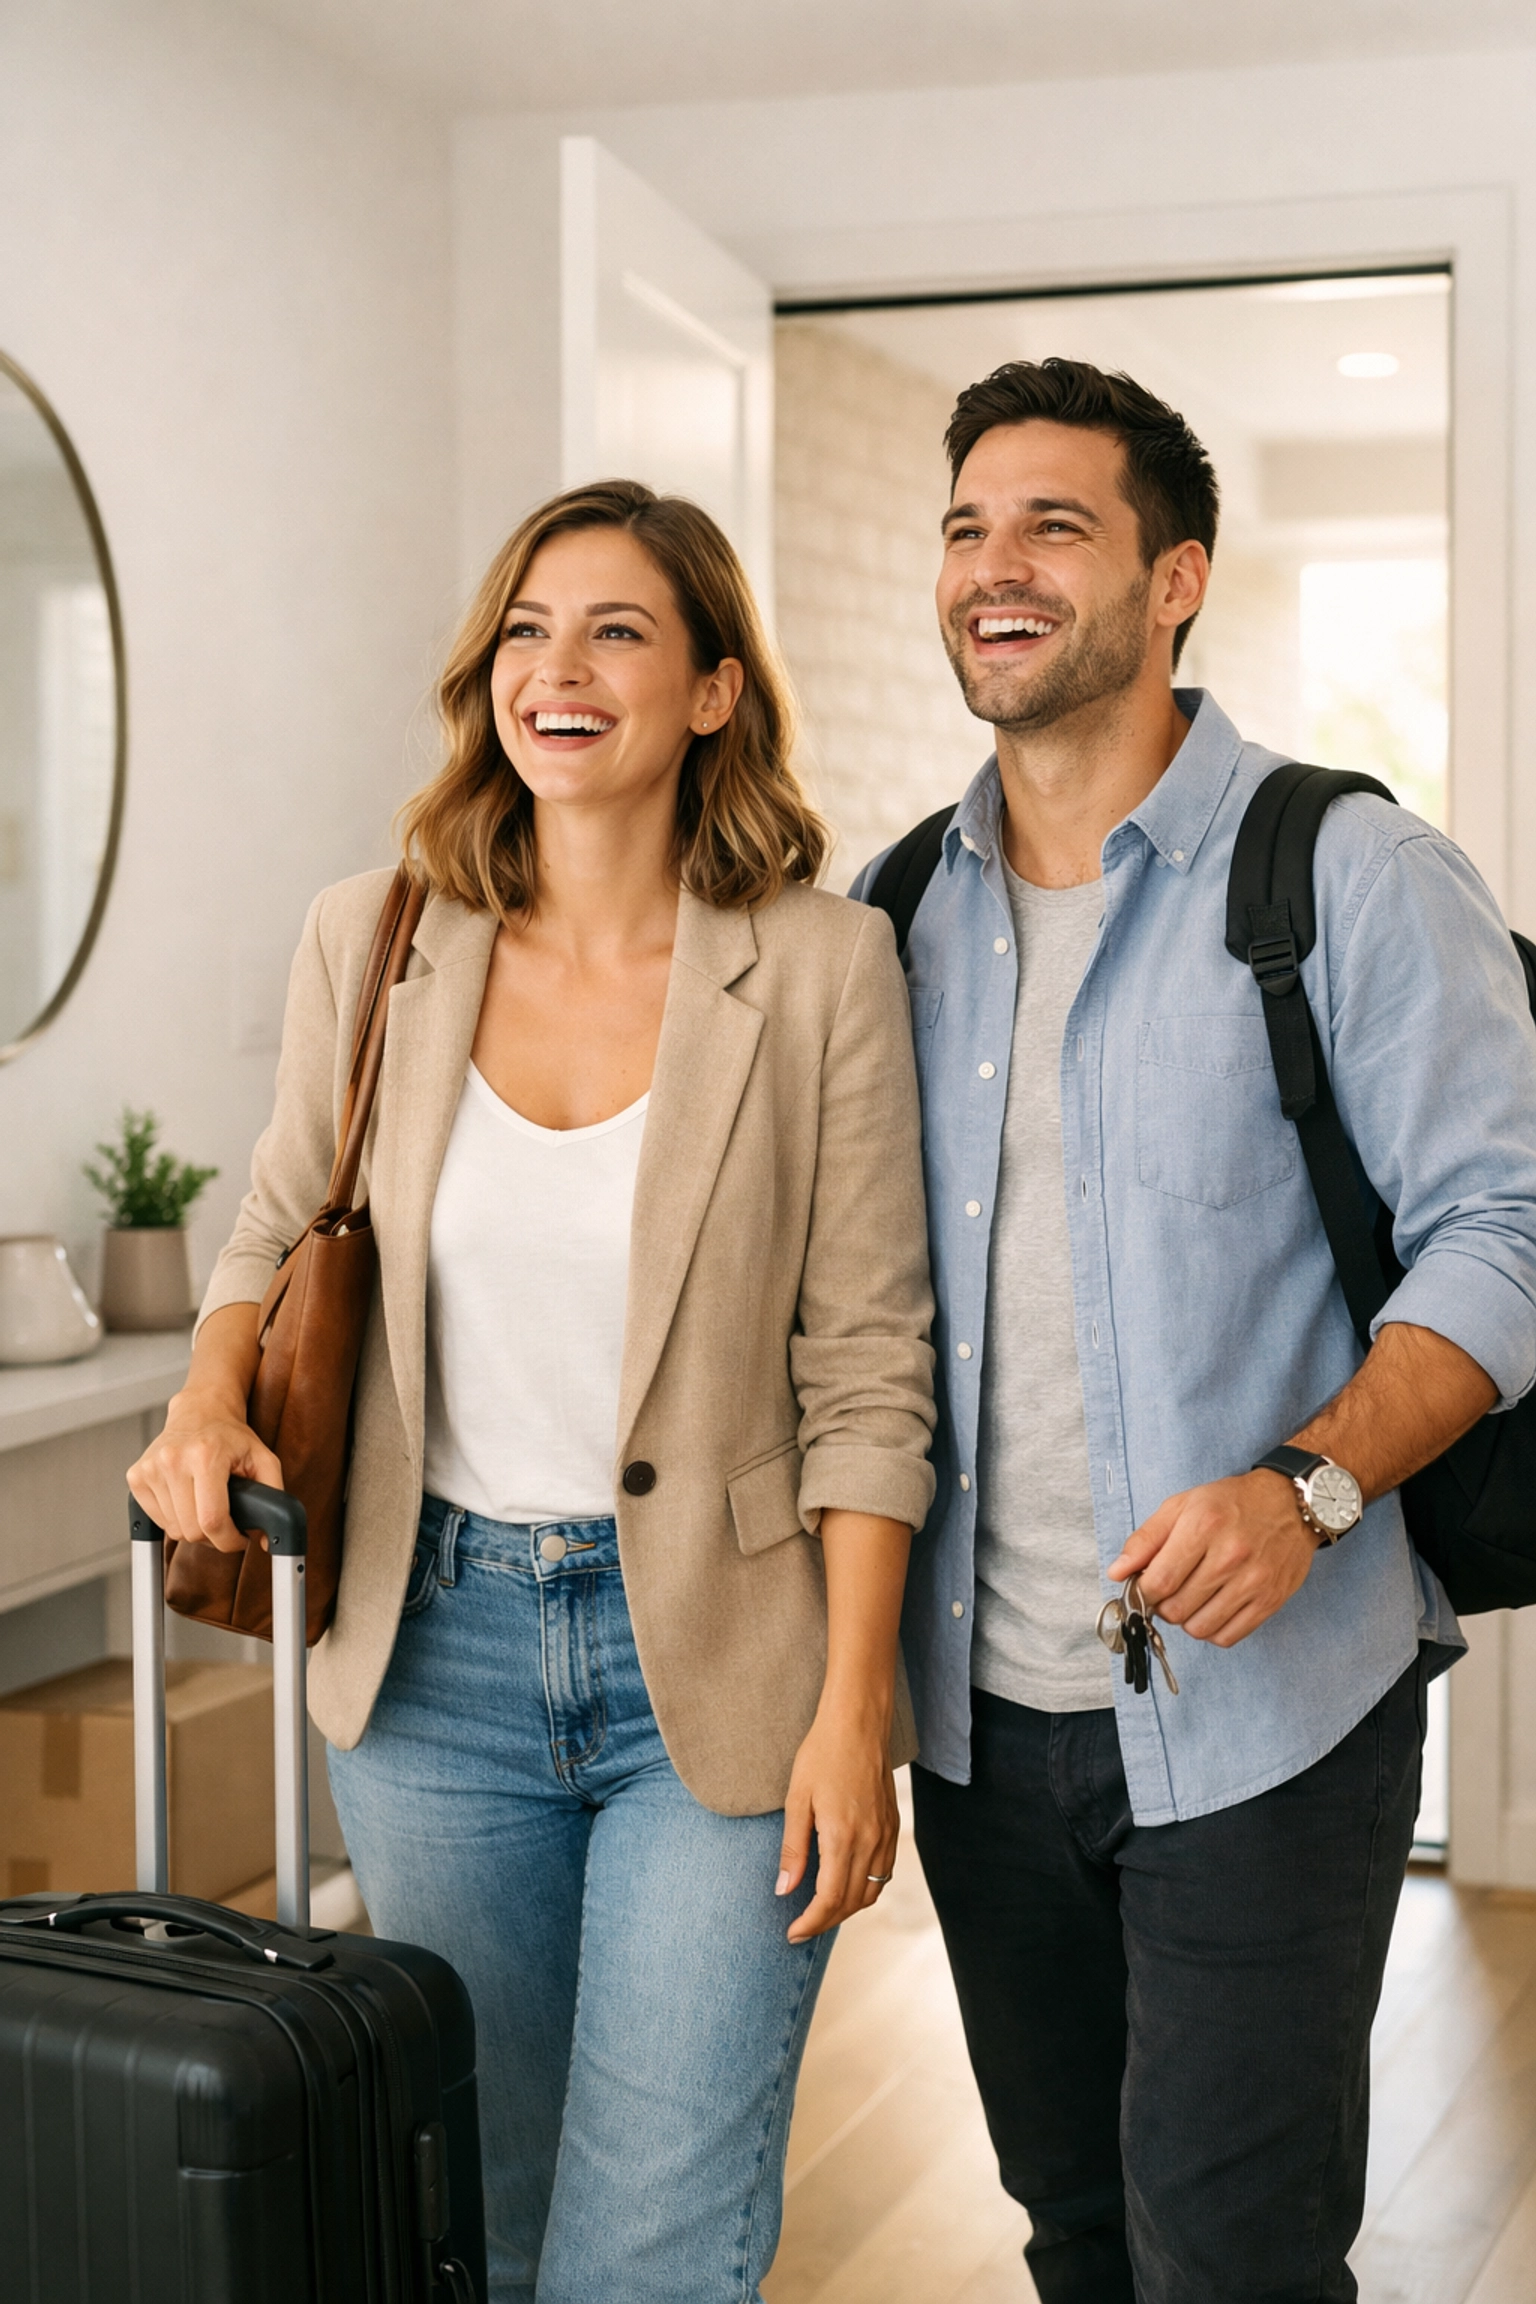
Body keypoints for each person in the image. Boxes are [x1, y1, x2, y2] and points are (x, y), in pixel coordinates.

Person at [129, 479, 937, 2304]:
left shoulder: (820, 967)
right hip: (435, 1667)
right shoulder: (381, 934)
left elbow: (873, 1362)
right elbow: (275, 1227)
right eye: (525, 631)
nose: (556, 671)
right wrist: (201, 1396)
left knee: (650, 2243)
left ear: (716, 691)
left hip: (723, 1676)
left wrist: (853, 1705)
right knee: (477, 2209)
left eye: (617, 632)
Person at [850, 358, 1536, 2303]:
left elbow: (1512, 1229)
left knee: (1227, 2258)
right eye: (967, 527)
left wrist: (1307, 1489)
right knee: (1073, 2234)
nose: (996, 566)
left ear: (1176, 581)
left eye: (1054, 524)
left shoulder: (1351, 873)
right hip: (979, 1729)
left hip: (1271, 1722)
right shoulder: (894, 910)